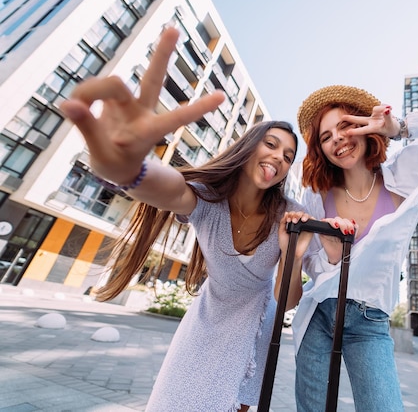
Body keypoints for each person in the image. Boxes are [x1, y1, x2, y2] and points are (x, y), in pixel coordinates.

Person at [60, 27, 308, 412]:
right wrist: (128, 168)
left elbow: (287, 298)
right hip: (203, 328)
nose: (279, 157)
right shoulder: (208, 202)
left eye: (289, 156)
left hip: (256, 332)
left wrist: (292, 251)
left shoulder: (288, 213)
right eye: (271, 144)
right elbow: (170, 188)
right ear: (248, 147)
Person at [292, 85, 418, 411]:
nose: (338, 139)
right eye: (326, 137)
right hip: (319, 313)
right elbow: (310, 262)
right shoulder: (317, 194)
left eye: (345, 125)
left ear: (365, 125)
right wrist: (330, 256)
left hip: (368, 322)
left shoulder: (408, 170)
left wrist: (400, 128)